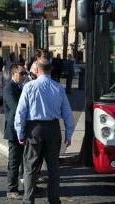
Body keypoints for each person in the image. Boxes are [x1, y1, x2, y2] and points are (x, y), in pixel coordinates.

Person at [14, 58, 75, 204]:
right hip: (53, 129)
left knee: (30, 167)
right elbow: (67, 113)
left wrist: (20, 133)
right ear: (50, 69)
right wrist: (69, 134)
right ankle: (54, 199)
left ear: (37, 70)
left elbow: (21, 112)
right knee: (53, 167)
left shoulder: (29, 87)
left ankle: (28, 200)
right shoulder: (58, 88)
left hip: (34, 129)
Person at [3, 64, 28, 200]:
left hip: (22, 128)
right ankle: (11, 189)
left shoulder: (20, 87)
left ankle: (28, 185)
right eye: (21, 73)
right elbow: (16, 107)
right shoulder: (9, 88)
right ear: (13, 74)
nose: (24, 76)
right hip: (13, 130)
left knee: (25, 159)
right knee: (14, 161)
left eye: (25, 73)